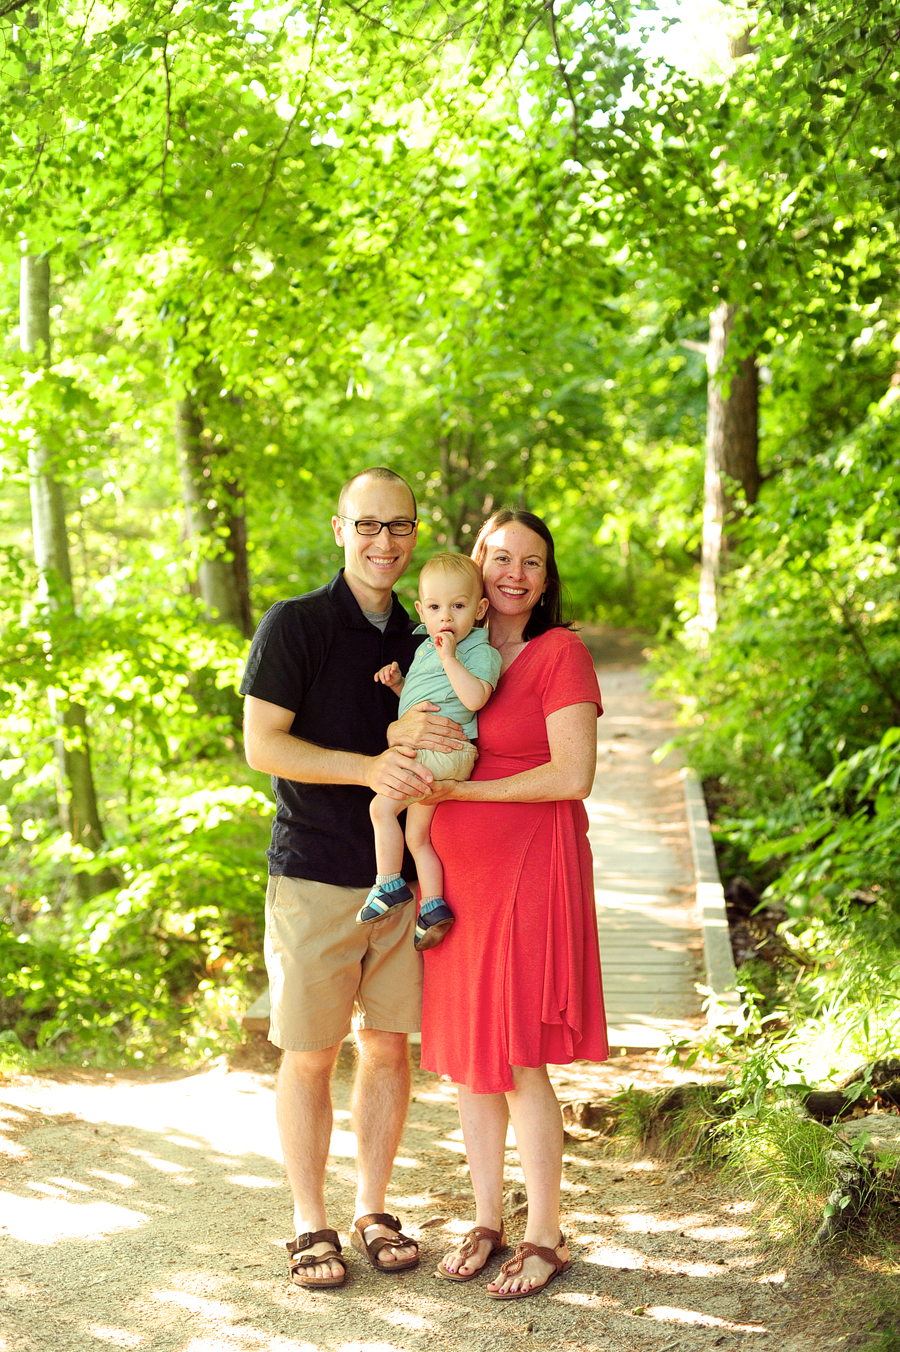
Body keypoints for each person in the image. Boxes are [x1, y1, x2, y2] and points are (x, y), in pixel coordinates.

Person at [239, 467, 468, 1290]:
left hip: (400, 878)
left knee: (387, 1047)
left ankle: (373, 1208)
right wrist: (370, 767)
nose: (384, 542)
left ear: (414, 534)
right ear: (340, 530)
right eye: (367, 526)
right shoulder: (294, 625)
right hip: (312, 874)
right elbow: (264, 745)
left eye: (399, 527)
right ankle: (310, 1221)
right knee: (309, 1052)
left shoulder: (425, 632)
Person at [420, 509, 609, 1300]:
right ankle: (487, 1219)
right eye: (501, 557)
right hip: (458, 872)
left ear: (545, 576)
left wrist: (463, 787)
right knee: (471, 1059)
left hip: (533, 862)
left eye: (531, 562)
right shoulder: (448, 648)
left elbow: (573, 776)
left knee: (521, 1054)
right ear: (476, 561)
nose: (514, 573)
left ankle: (545, 1233)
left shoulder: (559, 653)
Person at [360, 552, 502, 951]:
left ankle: (387, 885)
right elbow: (430, 700)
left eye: (458, 607)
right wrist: (399, 687)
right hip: (434, 753)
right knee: (417, 837)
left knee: (380, 808)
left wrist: (450, 657)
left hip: (445, 752)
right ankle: (433, 907)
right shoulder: (425, 648)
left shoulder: (479, 652)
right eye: (436, 608)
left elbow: (472, 698)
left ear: (479, 609)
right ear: (421, 611)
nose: (446, 618)